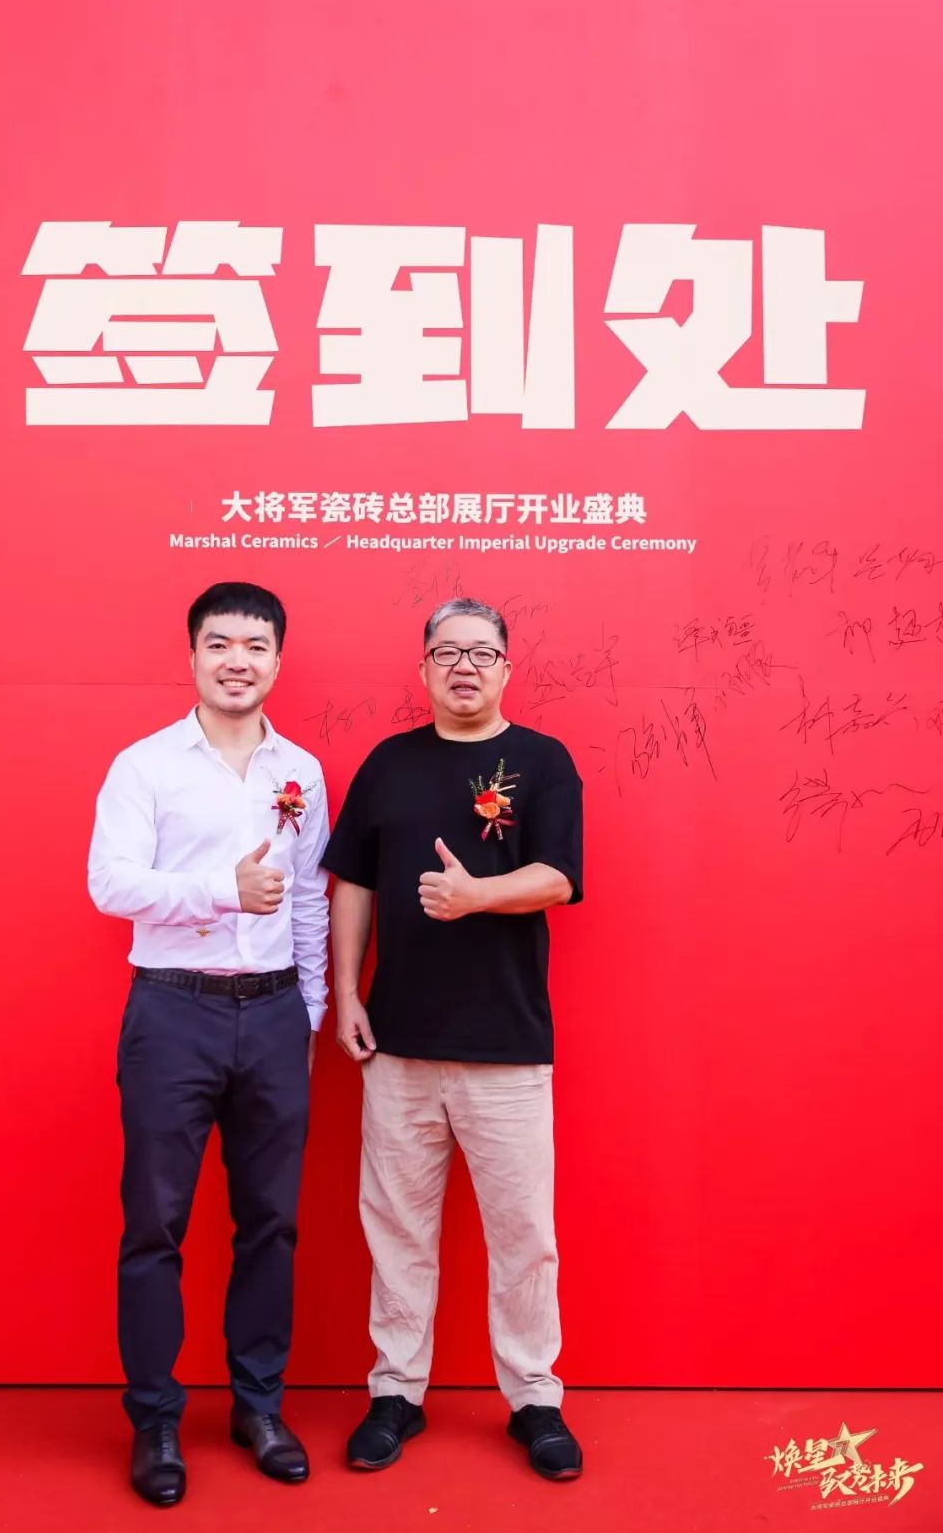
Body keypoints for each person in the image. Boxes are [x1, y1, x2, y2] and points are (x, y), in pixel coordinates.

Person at [323, 596, 584, 1483]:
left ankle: (534, 1396)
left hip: (507, 1047)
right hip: (397, 1043)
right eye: (447, 653)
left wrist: (476, 896)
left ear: (507, 667)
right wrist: (346, 992)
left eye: (481, 652)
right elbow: (351, 881)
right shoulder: (388, 764)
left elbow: (558, 877)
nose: (464, 666)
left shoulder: (542, 761)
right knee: (397, 1227)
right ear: (424, 668)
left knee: (524, 1235)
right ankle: (396, 1390)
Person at [88, 581, 328, 1504]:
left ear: (278, 660)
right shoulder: (145, 765)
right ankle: (155, 1418)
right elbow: (110, 883)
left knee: (271, 1220)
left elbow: (308, 899)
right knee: (155, 1222)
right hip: (172, 1012)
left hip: (273, 1014)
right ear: (191, 654)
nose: (238, 660)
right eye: (220, 643)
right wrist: (221, 891)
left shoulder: (300, 770)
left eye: (255, 645)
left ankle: (258, 1405)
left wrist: (308, 1013)